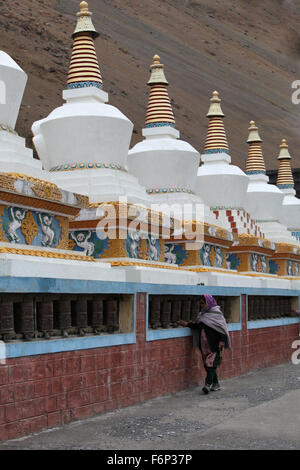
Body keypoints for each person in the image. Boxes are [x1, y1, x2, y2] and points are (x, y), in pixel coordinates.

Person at [179, 294, 231, 395]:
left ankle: (208, 384)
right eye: (201, 304)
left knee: (210, 364)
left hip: (215, 346)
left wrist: (222, 341)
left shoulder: (217, 315)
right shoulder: (203, 315)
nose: (201, 305)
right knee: (208, 366)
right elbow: (197, 326)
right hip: (204, 346)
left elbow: (222, 329)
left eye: (203, 303)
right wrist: (187, 324)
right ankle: (216, 384)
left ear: (208, 303)